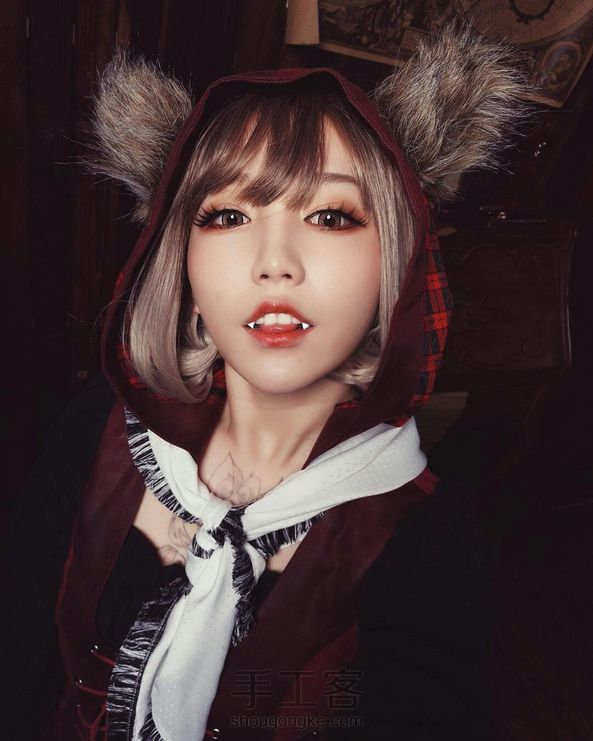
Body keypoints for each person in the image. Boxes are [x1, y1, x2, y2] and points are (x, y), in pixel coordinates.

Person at [2, 24, 525, 741]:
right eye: (228, 215)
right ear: (180, 256)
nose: (274, 261)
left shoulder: (427, 544)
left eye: (330, 216)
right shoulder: (98, 425)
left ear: (397, 261)